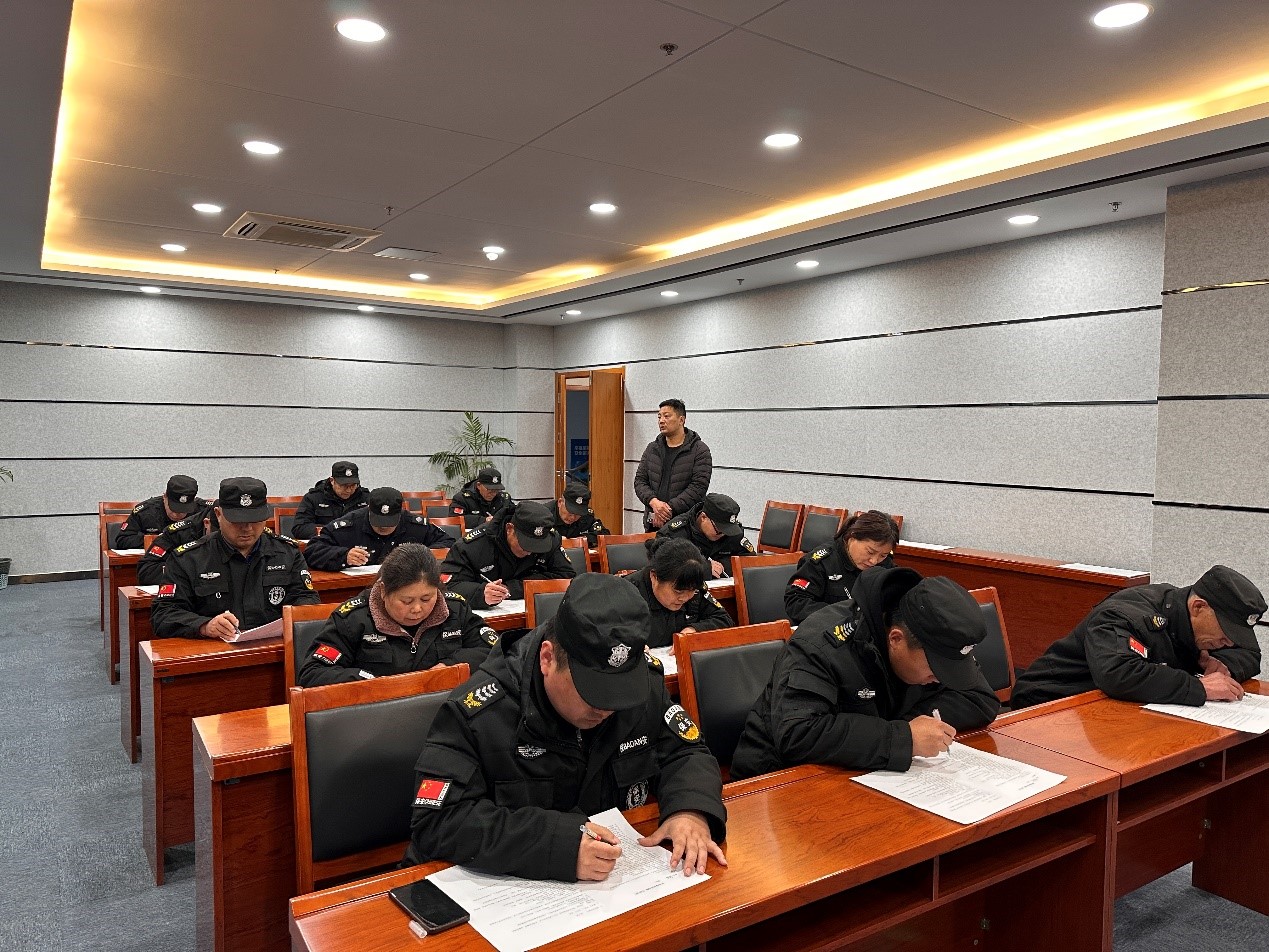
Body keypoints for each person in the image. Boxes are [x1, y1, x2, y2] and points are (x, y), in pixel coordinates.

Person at [404, 573, 728, 881]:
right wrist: (556, 845)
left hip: (618, 884)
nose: (606, 709)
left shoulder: (641, 689)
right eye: (591, 692)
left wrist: (690, 810)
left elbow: (686, 751)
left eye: (619, 692)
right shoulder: (478, 713)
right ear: (547, 659)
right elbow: (437, 821)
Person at [730, 568, 1000, 779]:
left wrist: (908, 727)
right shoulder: (820, 645)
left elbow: (981, 699)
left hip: (864, 769)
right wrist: (902, 737)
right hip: (778, 778)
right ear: (896, 639)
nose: (940, 678)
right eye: (936, 668)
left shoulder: (935, 634)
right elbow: (797, 734)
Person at [1011, 564, 1265, 709]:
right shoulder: (1124, 614)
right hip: (1051, 702)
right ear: (1199, 607)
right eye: (1226, 632)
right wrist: (1198, 687)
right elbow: (1117, 673)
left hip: (1110, 706)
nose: (1229, 642)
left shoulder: (1195, 619)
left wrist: (1223, 665)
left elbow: (1250, 653)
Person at [299, 544, 497, 686]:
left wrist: (449, 667)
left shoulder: (454, 609)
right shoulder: (353, 619)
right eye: (407, 601)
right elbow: (313, 673)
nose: (417, 609)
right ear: (383, 591)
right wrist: (373, 683)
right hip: (377, 717)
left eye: (426, 598)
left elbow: (493, 649)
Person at [150, 477, 320, 638]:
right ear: (218, 514)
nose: (247, 528)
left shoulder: (287, 552)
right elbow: (163, 614)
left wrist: (297, 614)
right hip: (215, 650)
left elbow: (306, 597)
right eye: (237, 521)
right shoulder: (189, 559)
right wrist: (204, 626)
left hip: (274, 646)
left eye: (254, 520)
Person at [440, 501, 576, 610]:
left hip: (535, 614)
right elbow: (447, 586)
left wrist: (514, 587)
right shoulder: (474, 545)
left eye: (537, 547)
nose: (529, 552)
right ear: (509, 529)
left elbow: (566, 576)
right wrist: (480, 593)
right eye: (525, 545)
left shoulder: (550, 540)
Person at [785, 510, 900, 624]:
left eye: (883, 555)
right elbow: (796, 602)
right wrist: (842, 615)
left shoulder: (884, 564)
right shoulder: (822, 562)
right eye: (870, 552)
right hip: (828, 629)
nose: (874, 561)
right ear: (853, 536)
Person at [304, 487, 452, 571]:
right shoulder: (349, 525)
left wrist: (420, 555)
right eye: (379, 523)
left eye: (389, 523)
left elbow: (448, 543)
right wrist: (344, 556)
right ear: (369, 510)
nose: (383, 528)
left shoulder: (414, 524)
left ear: (400, 514)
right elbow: (312, 551)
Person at [627, 538, 733, 648]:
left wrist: (695, 630)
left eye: (692, 590)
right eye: (678, 591)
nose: (684, 598)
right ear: (654, 577)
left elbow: (724, 620)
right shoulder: (628, 594)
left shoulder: (694, 588)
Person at [634, 399, 712, 531]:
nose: (661, 421)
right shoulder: (652, 448)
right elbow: (640, 481)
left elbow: (698, 487)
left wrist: (667, 510)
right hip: (653, 522)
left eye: (666, 416)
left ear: (681, 420)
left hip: (684, 526)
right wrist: (654, 503)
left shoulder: (699, 450)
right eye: (659, 417)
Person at [656, 493, 756, 578]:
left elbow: (750, 560)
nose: (723, 535)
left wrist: (722, 567)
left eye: (727, 531)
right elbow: (662, 563)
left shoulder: (732, 533)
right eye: (719, 530)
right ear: (703, 517)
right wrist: (703, 568)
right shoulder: (675, 532)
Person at [135, 501, 218, 585]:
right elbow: (147, 572)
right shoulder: (178, 533)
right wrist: (188, 570)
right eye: (216, 534)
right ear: (207, 523)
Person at [114, 475, 202, 549]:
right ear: (164, 497)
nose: (176, 514)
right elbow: (122, 540)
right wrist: (155, 540)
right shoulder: (145, 511)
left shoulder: (202, 511)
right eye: (173, 508)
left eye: (183, 510)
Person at [292, 461, 368, 540]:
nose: (348, 490)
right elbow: (299, 528)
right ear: (332, 481)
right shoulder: (314, 497)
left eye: (353, 485)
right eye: (344, 485)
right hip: (326, 542)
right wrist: (329, 530)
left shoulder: (365, 497)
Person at [549, 482, 610, 546]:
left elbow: (604, 534)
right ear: (560, 502)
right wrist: (558, 540)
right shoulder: (545, 515)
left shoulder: (585, 514)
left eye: (577, 514)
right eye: (570, 512)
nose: (573, 517)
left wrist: (582, 540)